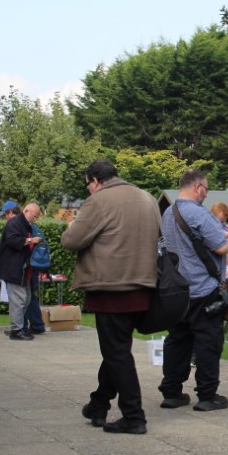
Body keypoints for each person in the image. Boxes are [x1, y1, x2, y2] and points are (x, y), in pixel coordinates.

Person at [61, 159, 161, 435]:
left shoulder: (98, 200)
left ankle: (134, 416)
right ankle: (98, 403)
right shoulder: (147, 198)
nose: (89, 189)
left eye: (88, 184)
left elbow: (71, 241)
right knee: (116, 349)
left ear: (95, 180)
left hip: (111, 286)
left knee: (116, 353)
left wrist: (73, 223)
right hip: (144, 286)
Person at [158, 168, 228, 413]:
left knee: (177, 340)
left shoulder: (168, 213)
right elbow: (220, 247)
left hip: (176, 290)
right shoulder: (199, 213)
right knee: (208, 342)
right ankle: (207, 395)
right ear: (197, 187)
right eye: (206, 188)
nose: (206, 193)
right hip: (203, 289)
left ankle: (172, 392)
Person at [0, 201, 42, 341]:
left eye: (37, 217)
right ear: (26, 211)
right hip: (13, 269)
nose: (35, 219)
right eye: (34, 215)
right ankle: (16, 330)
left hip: (23, 269)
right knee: (18, 300)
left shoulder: (25, 225)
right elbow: (13, 241)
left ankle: (19, 327)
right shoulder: (14, 223)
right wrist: (31, 240)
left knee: (26, 299)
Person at [23, 218, 50, 335]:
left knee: (25, 297)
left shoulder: (25, 228)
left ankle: (24, 326)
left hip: (27, 267)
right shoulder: (35, 228)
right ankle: (37, 325)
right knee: (30, 297)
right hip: (34, 266)